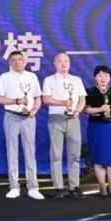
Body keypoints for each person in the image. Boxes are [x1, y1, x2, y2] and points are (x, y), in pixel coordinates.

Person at [0, 50, 44, 200]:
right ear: (10, 62)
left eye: (20, 59)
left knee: (30, 152)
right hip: (11, 116)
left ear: (24, 61)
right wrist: (15, 101)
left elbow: (38, 98)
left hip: (29, 118)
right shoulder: (4, 77)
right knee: (12, 152)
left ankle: (33, 187)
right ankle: (14, 187)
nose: (17, 62)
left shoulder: (31, 77)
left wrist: (34, 110)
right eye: (14, 60)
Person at [42, 52, 87, 199]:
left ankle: (74, 186)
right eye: (60, 61)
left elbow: (82, 99)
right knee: (56, 154)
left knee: (75, 154)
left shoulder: (77, 80)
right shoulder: (49, 80)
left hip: (73, 118)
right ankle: (59, 187)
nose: (63, 64)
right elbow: (46, 99)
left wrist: (77, 111)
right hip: (56, 118)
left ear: (69, 63)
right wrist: (63, 103)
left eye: (66, 61)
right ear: (55, 63)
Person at [84, 65, 111, 197]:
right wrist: (100, 109)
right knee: (98, 159)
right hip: (96, 128)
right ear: (95, 77)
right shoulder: (89, 92)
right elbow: (85, 109)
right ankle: (102, 187)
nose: (103, 78)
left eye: (106, 76)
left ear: (110, 78)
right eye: (100, 76)